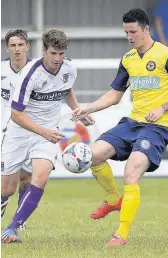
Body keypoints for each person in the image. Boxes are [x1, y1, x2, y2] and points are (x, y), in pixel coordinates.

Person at [72, 8, 168, 246]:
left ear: (146, 29)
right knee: (92, 156)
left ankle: (121, 235)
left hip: (157, 126)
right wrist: (89, 108)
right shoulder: (128, 59)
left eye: (133, 31)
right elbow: (114, 95)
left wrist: (163, 108)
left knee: (131, 173)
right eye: (126, 32)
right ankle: (113, 199)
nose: (129, 36)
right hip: (131, 123)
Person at [1, 28, 94, 243]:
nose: (57, 59)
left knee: (40, 177)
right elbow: (16, 114)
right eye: (53, 53)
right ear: (43, 50)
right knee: (6, 188)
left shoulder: (69, 68)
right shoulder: (29, 74)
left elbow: (66, 89)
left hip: (47, 134)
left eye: (61, 54)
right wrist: (43, 131)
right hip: (20, 132)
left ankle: (13, 228)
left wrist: (77, 111)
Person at [1, 29, 32, 228]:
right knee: (7, 184)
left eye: (21, 45)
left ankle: (19, 222)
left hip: (31, 129)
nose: (17, 49)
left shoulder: (37, 69)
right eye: (13, 45)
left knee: (29, 177)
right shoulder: (1, 69)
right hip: (5, 129)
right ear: (7, 48)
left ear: (27, 46)